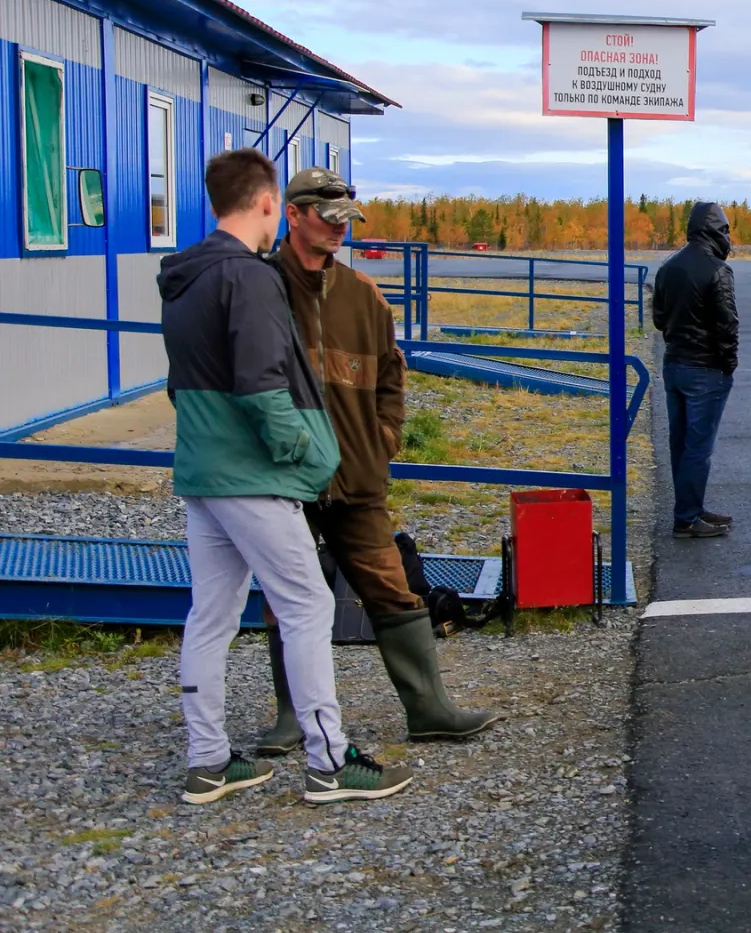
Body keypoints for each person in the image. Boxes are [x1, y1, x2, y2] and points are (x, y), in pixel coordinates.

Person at [160, 149, 413, 805]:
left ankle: (207, 758)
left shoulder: (187, 279)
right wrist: (312, 455)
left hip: (203, 473)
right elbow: (263, 386)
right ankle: (329, 762)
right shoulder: (249, 279)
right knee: (309, 605)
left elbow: (180, 385)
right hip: (253, 475)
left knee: (210, 615)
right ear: (270, 204)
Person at [250, 167, 500, 755]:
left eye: (346, 221)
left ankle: (429, 708)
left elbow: (391, 375)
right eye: (327, 218)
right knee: (287, 595)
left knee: (392, 588)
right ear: (292, 214)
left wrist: (384, 436)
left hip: (357, 476)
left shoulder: (363, 296)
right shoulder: (259, 290)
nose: (339, 230)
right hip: (283, 477)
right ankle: (294, 719)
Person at [652, 201, 739, 539]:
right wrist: (727, 365)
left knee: (681, 443)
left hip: (675, 363)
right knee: (699, 448)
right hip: (707, 369)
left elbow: (659, 319)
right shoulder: (717, 270)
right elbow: (727, 324)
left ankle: (690, 509)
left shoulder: (668, 267)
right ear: (716, 231)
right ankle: (687, 518)